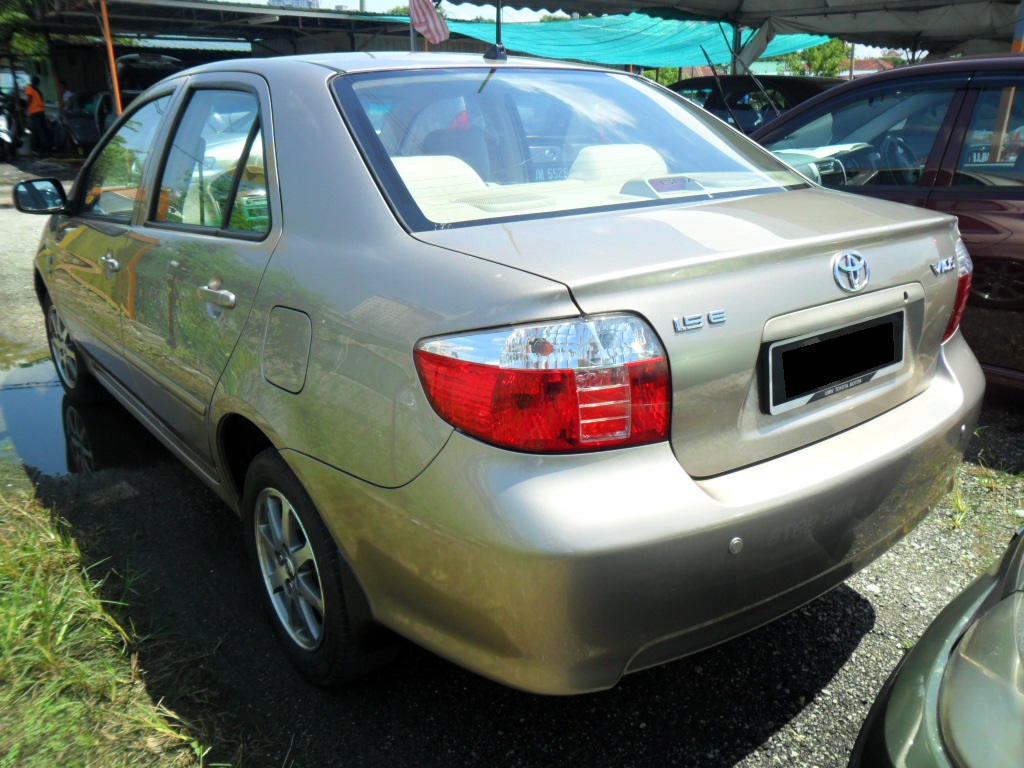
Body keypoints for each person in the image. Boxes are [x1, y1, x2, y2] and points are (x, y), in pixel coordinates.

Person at [24, 75, 53, 154]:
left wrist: (25, 108)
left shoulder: (29, 88)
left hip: (35, 112)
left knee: (39, 130)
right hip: (41, 111)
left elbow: (29, 98)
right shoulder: (38, 91)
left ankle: (44, 147)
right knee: (43, 129)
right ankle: (47, 146)